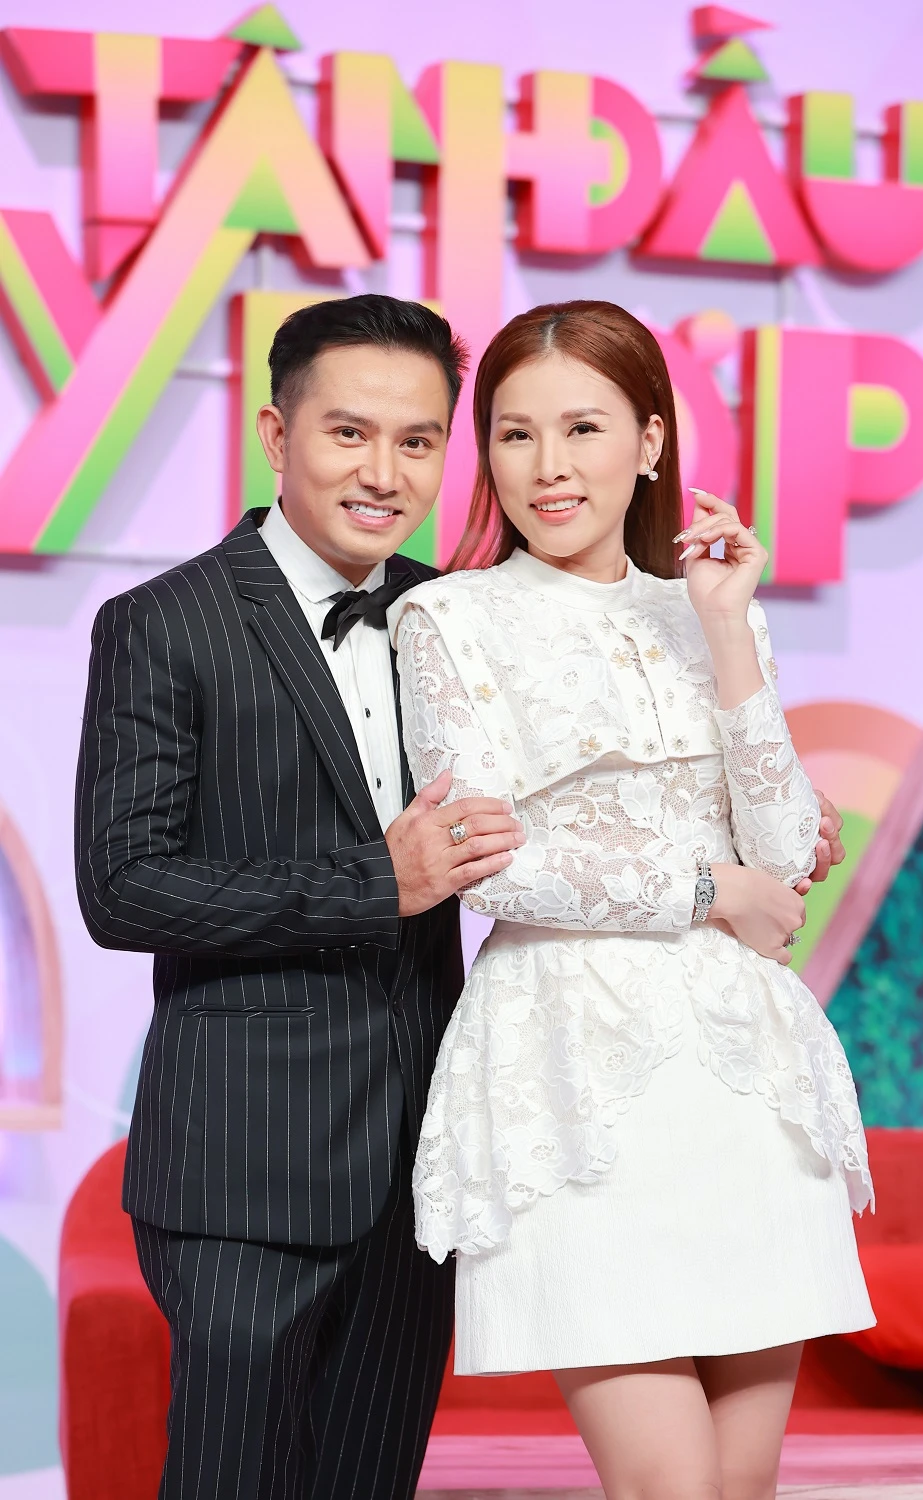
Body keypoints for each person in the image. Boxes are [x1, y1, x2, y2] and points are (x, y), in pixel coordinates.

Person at [388, 299, 874, 1500]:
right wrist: (710, 888)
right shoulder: (447, 618)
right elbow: (491, 861)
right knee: (670, 1487)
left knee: (740, 1488)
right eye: (515, 435)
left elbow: (785, 846)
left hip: (748, 1078)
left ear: (650, 441)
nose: (547, 467)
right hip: (573, 1071)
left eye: (583, 428)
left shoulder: (713, 608)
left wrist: (726, 631)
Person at [73, 295, 528, 1500]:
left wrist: (740, 842)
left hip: (421, 1158)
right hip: (243, 1161)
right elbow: (123, 887)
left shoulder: (455, 618)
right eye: (349, 433)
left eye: (418, 441)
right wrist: (379, 882)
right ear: (277, 435)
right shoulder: (162, 623)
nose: (384, 473)